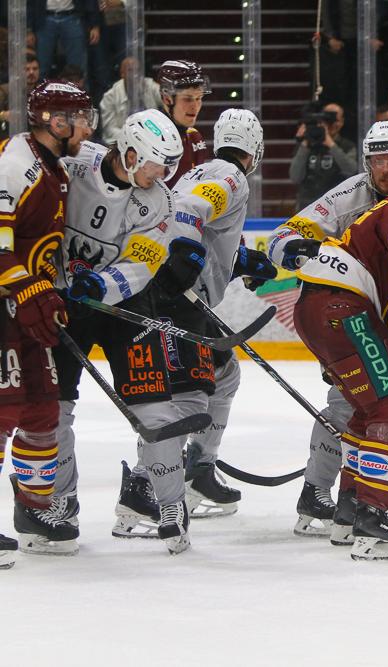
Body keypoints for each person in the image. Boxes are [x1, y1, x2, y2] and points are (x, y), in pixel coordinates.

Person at [107, 109, 269, 554]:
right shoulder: (232, 177)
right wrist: (183, 259)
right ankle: (143, 488)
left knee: (225, 374)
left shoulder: (199, 170)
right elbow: (192, 211)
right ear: (255, 150)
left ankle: (198, 468)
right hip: (175, 299)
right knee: (187, 401)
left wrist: (239, 261)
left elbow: (199, 223)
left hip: (172, 291)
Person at [293, 170, 388, 560]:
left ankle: (350, 511)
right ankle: (374, 518)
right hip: (342, 306)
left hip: (325, 309)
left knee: (366, 412)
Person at [52, 109, 184, 550]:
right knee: (54, 409)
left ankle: (170, 503)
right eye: (156, 165)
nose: (162, 175)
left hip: (124, 304)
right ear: (129, 153)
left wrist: (99, 284)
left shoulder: (160, 201)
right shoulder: (74, 165)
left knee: (155, 410)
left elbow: (142, 264)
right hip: (62, 303)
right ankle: (60, 501)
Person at [0, 80, 97, 564]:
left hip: (24, 309)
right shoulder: (14, 165)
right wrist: (26, 288)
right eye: (81, 119)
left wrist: (47, 291)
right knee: (2, 411)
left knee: (42, 411)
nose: (88, 128)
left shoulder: (53, 166)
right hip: (4, 307)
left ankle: (35, 512)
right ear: (55, 122)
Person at [267, 120, 388, 272]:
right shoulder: (348, 195)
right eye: (378, 161)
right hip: (362, 280)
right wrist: (295, 245)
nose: (385, 170)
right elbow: (280, 237)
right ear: (368, 163)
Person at [157, 60, 213, 188]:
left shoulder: (194, 137)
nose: (195, 106)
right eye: (187, 99)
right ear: (167, 99)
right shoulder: (148, 139)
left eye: (198, 98)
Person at [290, 103, 356, 211]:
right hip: (307, 206)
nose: (331, 124)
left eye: (335, 120)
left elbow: (351, 170)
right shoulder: (306, 145)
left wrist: (331, 144)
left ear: (342, 122)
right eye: (327, 120)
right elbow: (295, 176)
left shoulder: (347, 146)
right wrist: (305, 143)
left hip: (336, 206)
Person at [99, 57, 162, 146]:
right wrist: (135, 137)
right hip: (122, 144)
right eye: (130, 70)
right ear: (122, 74)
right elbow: (110, 131)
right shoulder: (110, 97)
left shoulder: (149, 85)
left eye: (138, 70)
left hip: (152, 140)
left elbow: (167, 99)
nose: (135, 74)